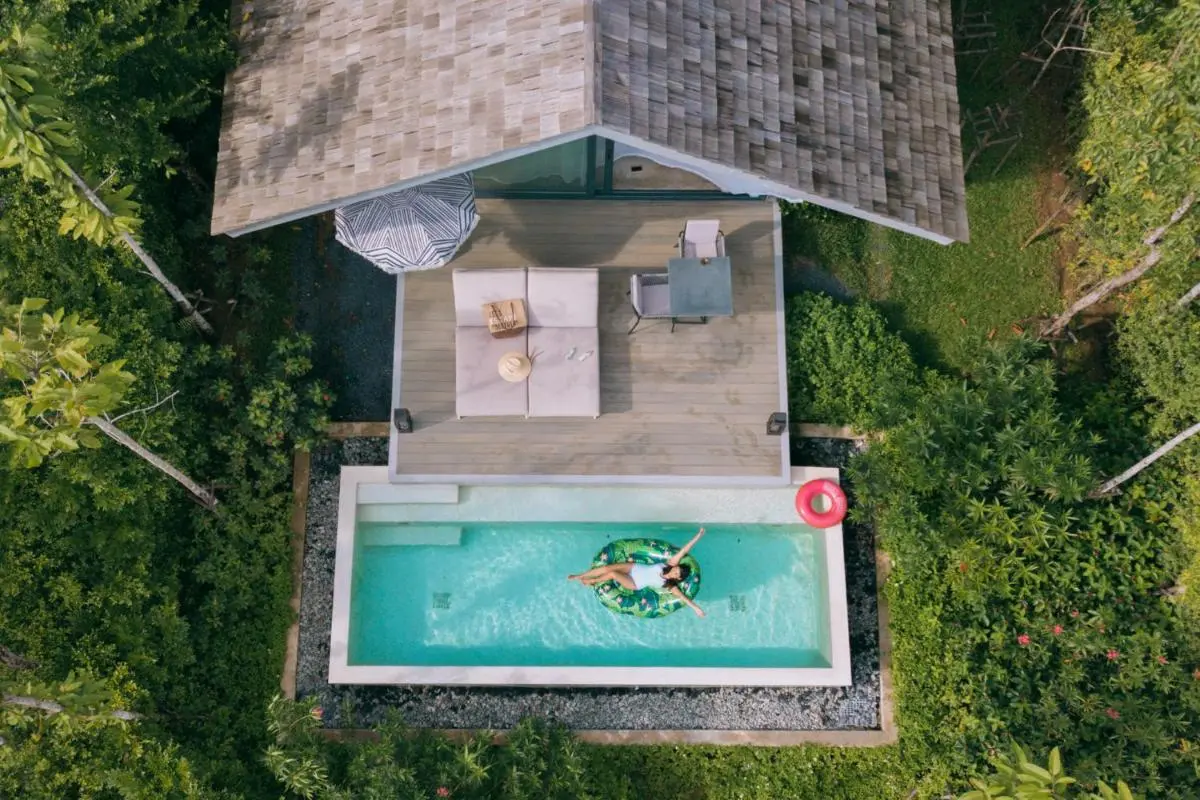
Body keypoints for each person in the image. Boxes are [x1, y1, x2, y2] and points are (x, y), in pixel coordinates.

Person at [568, 528, 707, 618]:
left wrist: (696, 609)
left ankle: (592, 581)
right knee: (607, 568)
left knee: (613, 574)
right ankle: (579, 576)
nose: (675, 573)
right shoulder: (669, 564)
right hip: (633, 568)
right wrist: (698, 535)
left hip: (634, 583)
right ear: (676, 567)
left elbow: (683, 598)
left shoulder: (670, 585)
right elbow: (683, 551)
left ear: (677, 578)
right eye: (677, 570)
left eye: (677, 575)